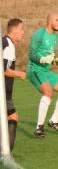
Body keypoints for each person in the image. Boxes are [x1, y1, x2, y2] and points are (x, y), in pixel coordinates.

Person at [27, 12, 58, 138]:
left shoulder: (55, 37)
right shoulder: (39, 34)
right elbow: (32, 54)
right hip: (35, 70)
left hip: (46, 71)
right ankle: (39, 128)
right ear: (49, 22)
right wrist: (42, 60)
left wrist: (54, 61)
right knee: (48, 92)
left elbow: (48, 56)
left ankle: (54, 120)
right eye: (57, 20)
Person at [2, 19, 26, 151]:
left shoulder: (3, 42)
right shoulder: (9, 45)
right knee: (13, 117)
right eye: (21, 29)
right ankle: (6, 152)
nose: (23, 32)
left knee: (6, 118)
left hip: (4, 92)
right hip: (3, 92)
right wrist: (19, 74)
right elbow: (4, 70)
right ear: (14, 30)